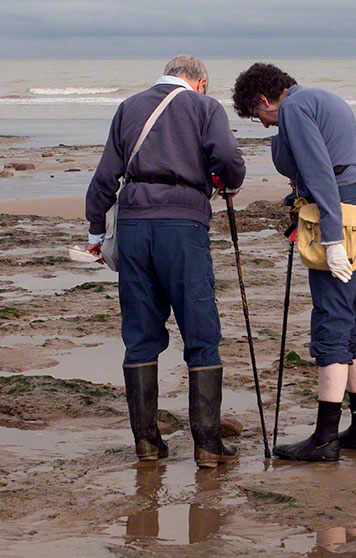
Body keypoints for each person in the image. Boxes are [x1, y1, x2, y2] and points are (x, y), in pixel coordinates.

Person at [85, 55, 246, 468]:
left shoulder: (130, 106)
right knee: (200, 330)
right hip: (182, 224)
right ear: (201, 82)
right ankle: (208, 445)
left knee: (139, 332)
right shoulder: (205, 107)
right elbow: (227, 157)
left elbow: (106, 175)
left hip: (135, 225)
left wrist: (96, 232)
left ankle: (147, 443)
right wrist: (228, 181)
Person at [231, 63, 356, 462]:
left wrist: (331, 237)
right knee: (354, 321)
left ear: (264, 99)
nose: (261, 124)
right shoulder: (326, 99)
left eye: (256, 115)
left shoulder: (295, 110)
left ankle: (325, 438)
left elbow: (318, 172)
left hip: (341, 223)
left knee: (332, 321)